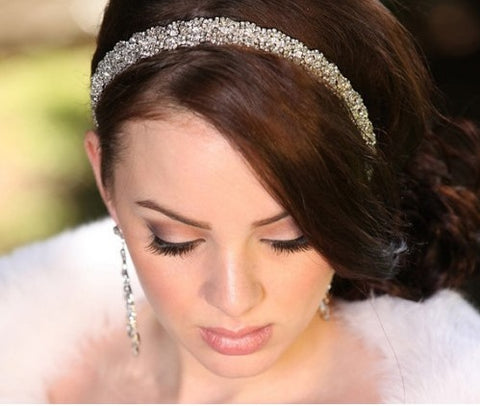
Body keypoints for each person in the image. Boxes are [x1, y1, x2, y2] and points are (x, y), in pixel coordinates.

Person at [1, 0, 480, 402]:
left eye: (289, 237)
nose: (234, 299)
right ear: (104, 182)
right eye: (174, 240)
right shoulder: (20, 356)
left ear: (358, 189)